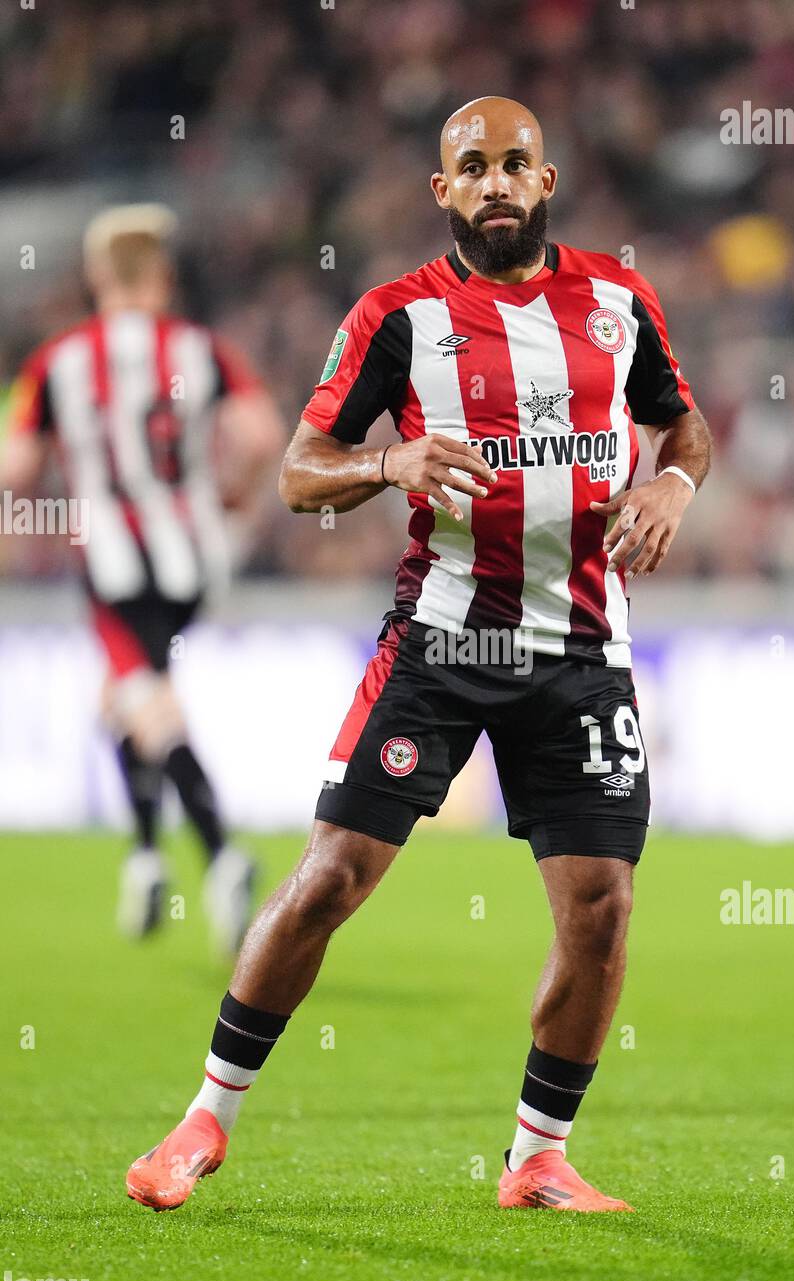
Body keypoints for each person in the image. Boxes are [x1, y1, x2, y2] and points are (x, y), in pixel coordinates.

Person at [125, 97, 712, 1213]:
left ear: (547, 180)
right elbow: (302, 471)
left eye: (515, 164)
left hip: (583, 647)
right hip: (440, 642)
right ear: (442, 193)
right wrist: (390, 467)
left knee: (602, 907)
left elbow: (683, 423)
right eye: (472, 168)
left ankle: (538, 1154)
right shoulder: (397, 319)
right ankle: (207, 1117)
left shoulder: (620, 302)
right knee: (332, 876)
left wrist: (673, 481)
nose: (496, 183)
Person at [3, 204, 284, 950]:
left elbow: (14, 469)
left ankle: (221, 853)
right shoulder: (202, 349)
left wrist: (20, 528)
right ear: (161, 276)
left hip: (112, 564)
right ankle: (147, 857)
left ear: (98, 277)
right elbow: (261, 436)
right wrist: (233, 496)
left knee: (147, 704)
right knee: (127, 697)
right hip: (194, 560)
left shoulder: (58, 360)